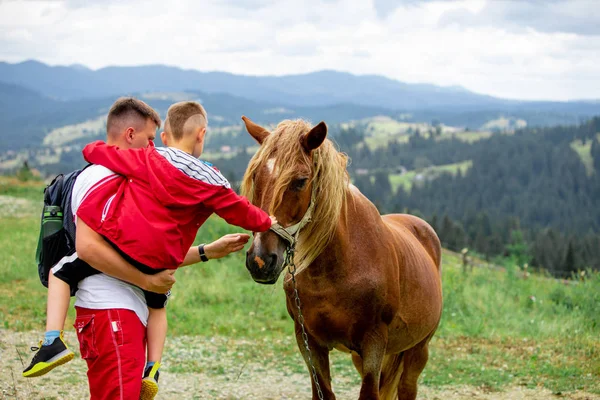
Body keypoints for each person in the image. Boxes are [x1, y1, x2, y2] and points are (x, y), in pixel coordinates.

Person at [24, 98, 266, 399]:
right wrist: (147, 280)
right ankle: (69, 345)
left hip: (123, 307)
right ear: (129, 134)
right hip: (112, 310)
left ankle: (57, 340)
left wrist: (205, 251)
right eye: (149, 140)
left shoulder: (139, 169)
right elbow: (89, 248)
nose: (153, 148)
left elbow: (140, 249)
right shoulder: (104, 176)